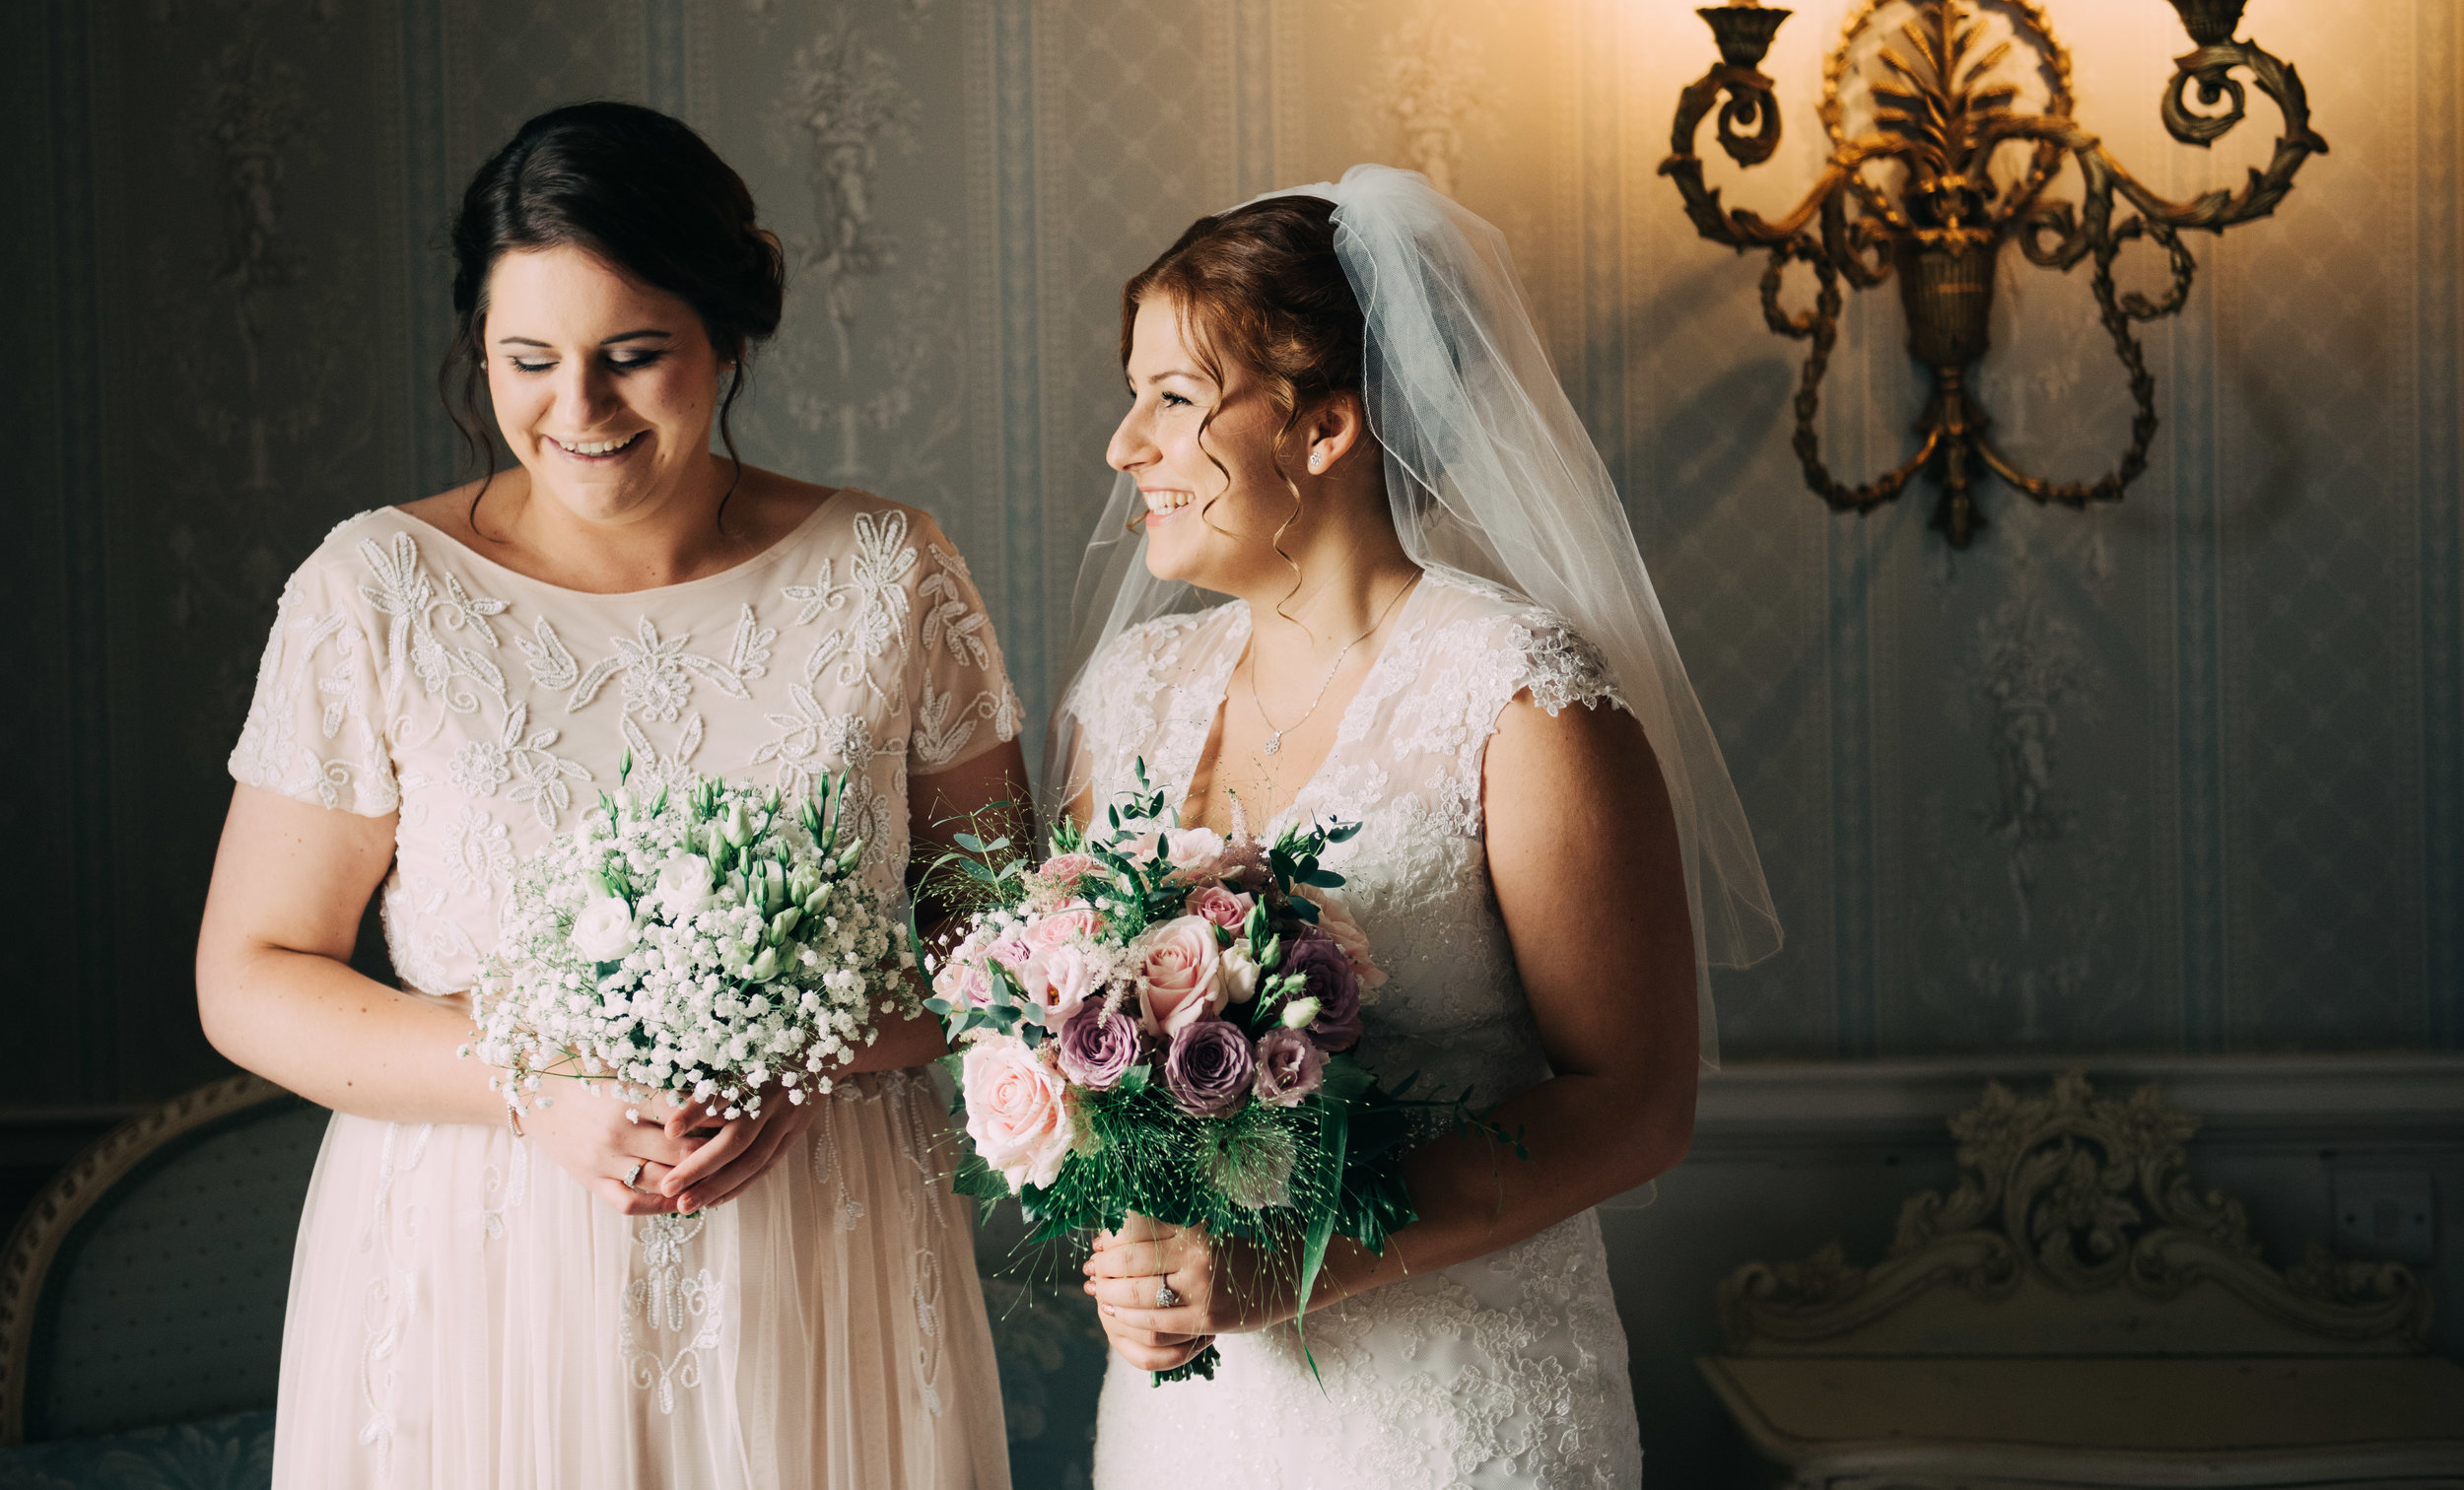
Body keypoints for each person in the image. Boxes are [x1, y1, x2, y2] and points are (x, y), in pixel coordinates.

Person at [196, 102, 1018, 1488]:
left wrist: (803, 1052)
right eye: (528, 360)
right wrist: (534, 1083)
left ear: (728, 336)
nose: (575, 412)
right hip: (483, 1264)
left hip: (822, 1255)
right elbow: (251, 974)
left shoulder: (890, 574)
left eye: (632, 357)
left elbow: (1004, 952)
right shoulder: (375, 594)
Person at [1050, 167, 1782, 1487]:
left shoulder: (1519, 697)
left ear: (1324, 429)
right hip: (1195, 1418)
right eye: (1133, 395)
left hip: (1454, 1412)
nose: (1124, 447)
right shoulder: (1132, 696)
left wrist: (1304, 1255)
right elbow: (1089, 1054)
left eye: (1172, 399)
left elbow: (1637, 1105)